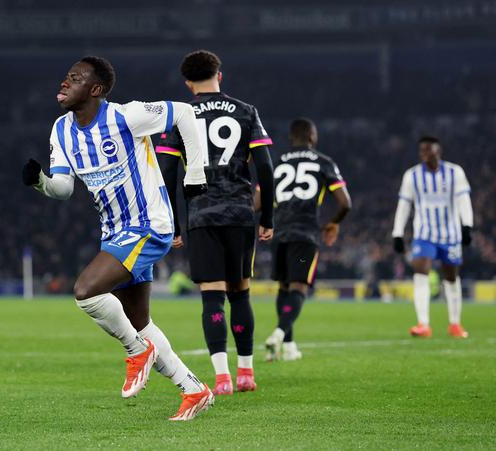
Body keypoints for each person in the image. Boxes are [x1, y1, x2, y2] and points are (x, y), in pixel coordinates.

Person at [22, 56, 214, 420]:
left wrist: (195, 173)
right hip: (114, 232)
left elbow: (186, 115)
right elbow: (63, 188)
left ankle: (136, 351)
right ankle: (193, 389)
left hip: (148, 223)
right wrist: (40, 182)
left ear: (95, 90)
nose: (64, 83)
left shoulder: (127, 116)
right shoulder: (61, 130)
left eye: (74, 79)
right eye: (65, 77)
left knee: (86, 291)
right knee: (139, 321)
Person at [157, 50, 275, 395]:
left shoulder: (181, 115)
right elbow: (265, 169)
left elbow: (167, 172)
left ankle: (221, 377)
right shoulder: (246, 111)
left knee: (212, 297)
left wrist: (174, 224)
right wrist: (266, 216)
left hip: (202, 215)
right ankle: (246, 374)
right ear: (219, 76)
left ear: (188, 83)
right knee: (240, 294)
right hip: (239, 214)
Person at [260, 118, 351, 361]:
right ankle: (279, 334)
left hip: (280, 232)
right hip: (305, 233)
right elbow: (345, 203)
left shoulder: (276, 163)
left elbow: (257, 203)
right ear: (312, 137)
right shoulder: (324, 162)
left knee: (283, 286)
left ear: (291, 138)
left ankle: (288, 346)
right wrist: (333, 223)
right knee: (298, 287)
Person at [392, 136, 473, 338]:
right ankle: (423, 324)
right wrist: (397, 233)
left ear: (439, 151)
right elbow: (404, 205)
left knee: (451, 278)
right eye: (422, 151)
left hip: (450, 235)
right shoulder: (412, 176)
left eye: (428, 150)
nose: (424, 154)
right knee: (420, 273)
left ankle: (455, 324)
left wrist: (467, 226)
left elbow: (464, 200)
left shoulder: (455, 172)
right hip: (424, 234)